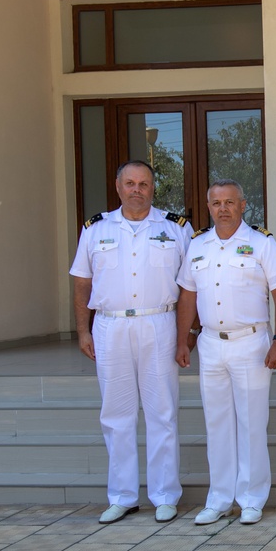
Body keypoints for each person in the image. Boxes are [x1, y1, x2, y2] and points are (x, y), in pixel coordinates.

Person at [70, 160, 191, 525]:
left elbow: (190, 286)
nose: (137, 189)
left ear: (153, 187)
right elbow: (81, 282)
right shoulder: (96, 229)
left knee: (162, 413)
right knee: (116, 415)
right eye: (130, 183)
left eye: (144, 183)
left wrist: (189, 333)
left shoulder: (174, 228)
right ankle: (122, 496)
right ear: (118, 186)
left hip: (160, 322)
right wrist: (82, 330)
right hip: (111, 326)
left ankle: (165, 495)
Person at [175, 179, 276, 526]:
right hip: (211, 344)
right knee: (217, 424)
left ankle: (252, 498)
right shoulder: (198, 245)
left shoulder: (261, 243)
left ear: (243, 205)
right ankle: (220, 498)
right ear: (209, 207)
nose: (223, 209)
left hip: (252, 343)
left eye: (230, 202)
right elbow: (187, 297)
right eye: (216, 203)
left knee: (252, 424)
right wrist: (184, 339)